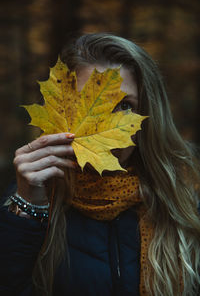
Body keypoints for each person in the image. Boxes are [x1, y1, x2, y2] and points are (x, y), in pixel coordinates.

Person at [0, 33, 200, 296]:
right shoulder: (27, 205)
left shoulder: (185, 208)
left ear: (149, 118)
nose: (104, 131)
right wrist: (27, 211)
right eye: (94, 108)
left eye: (124, 106)